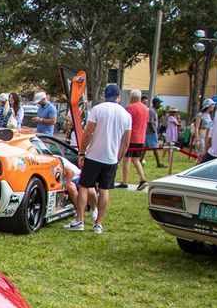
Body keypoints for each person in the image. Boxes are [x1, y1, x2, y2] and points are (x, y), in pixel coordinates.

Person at [66, 83, 131, 234]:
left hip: (94, 155)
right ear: (118, 97)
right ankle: (98, 224)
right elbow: (126, 143)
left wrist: (82, 153)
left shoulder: (97, 109)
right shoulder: (126, 115)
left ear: (104, 96)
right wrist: (118, 159)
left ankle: (79, 220)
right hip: (111, 158)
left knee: (84, 186)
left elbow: (88, 133)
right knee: (104, 190)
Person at [119, 89, 149, 191]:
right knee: (136, 159)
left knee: (126, 159)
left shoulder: (130, 108)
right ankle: (143, 179)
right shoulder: (145, 109)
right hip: (141, 138)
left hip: (131, 137)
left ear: (131, 98)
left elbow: (125, 122)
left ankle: (125, 182)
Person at [144, 95, 164, 168]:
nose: (160, 105)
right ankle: (158, 163)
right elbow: (150, 122)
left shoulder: (153, 111)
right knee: (155, 148)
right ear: (155, 103)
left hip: (149, 132)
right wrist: (155, 132)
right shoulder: (152, 111)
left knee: (145, 148)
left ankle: (140, 161)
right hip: (151, 132)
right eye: (159, 103)